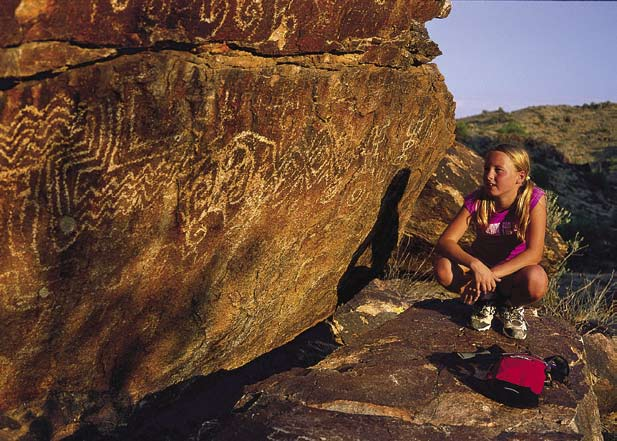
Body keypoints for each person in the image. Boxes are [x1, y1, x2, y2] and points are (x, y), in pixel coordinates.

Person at [433, 144, 548, 340]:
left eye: (498, 170)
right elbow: (446, 241)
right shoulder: (478, 200)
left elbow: (534, 253)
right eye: (487, 168)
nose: (489, 175)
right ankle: (485, 301)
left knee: (537, 280)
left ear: (520, 177)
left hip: (511, 274)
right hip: (481, 272)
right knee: (443, 267)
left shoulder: (533, 199)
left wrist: (490, 274)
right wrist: (476, 265)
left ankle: (510, 306)